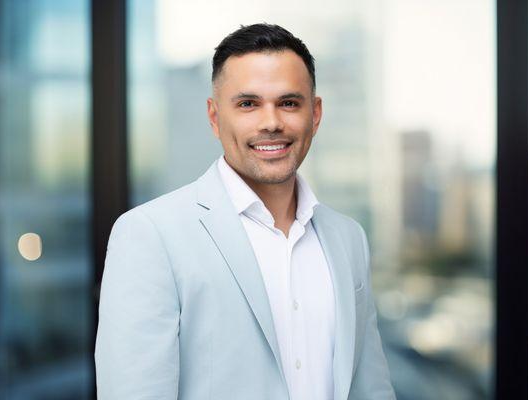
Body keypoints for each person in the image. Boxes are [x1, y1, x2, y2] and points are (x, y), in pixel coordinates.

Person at [95, 23, 395, 400]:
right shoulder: (149, 234)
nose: (271, 122)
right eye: (248, 104)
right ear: (215, 116)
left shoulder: (349, 237)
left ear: (315, 115)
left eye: (289, 103)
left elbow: (372, 387)